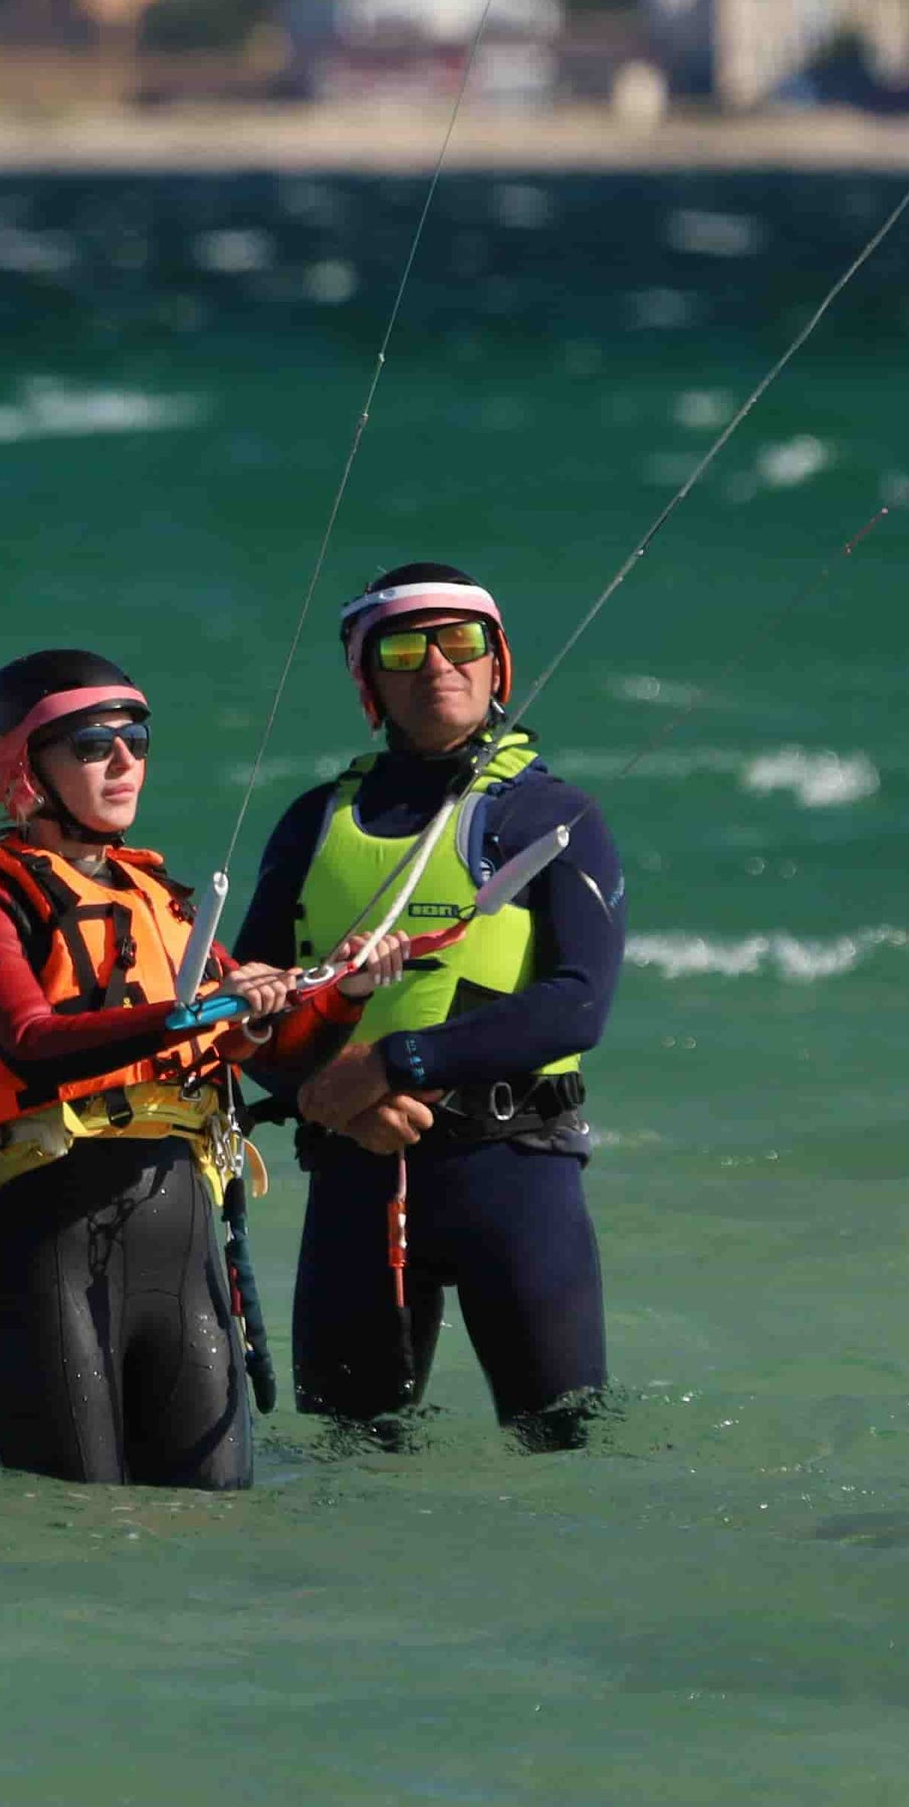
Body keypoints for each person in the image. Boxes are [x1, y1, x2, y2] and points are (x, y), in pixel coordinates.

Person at [237, 564, 623, 1450]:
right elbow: (246, 1008)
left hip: (514, 1174)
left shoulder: (550, 814)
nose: (439, 665)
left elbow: (578, 1006)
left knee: (565, 1449)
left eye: (464, 643)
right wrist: (320, 1092)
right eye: (406, 648)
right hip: (355, 1177)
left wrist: (390, 1064)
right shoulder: (313, 823)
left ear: (498, 667)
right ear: (368, 680)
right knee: (347, 1460)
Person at [0, 650, 298, 1489]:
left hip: (186, 1243)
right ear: (23, 770)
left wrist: (292, 1004)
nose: (126, 761)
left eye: (137, 739)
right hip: (55, 1237)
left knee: (212, 1527)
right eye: (93, 745)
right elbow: (28, 1037)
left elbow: (231, 1047)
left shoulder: (163, 897)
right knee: (75, 1533)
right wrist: (199, 1010)